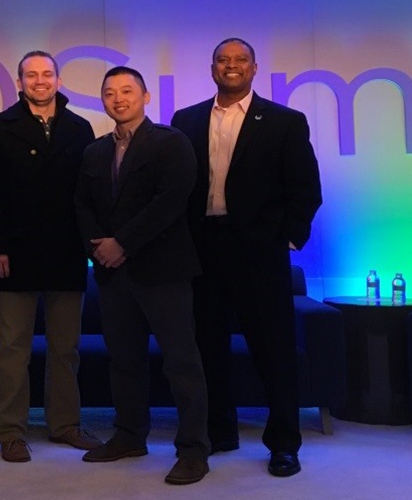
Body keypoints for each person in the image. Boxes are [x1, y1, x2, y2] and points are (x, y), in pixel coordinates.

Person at [170, 38, 321, 477]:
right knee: (207, 347)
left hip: (259, 251)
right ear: (211, 67)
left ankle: (284, 444)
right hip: (202, 249)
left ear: (254, 68)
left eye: (240, 60)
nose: (231, 66)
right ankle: (219, 431)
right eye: (223, 60)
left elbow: (305, 187)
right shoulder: (187, 119)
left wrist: (288, 239)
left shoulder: (285, 121)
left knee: (273, 350)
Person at [75, 67, 210, 485]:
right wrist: (96, 248)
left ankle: (193, 451)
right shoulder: (94, 151)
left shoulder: (171, 142)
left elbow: (170, 201)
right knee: (124, 361)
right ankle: (130, 436)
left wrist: (122, 243)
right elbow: (81, 204)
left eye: (127, 91)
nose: (118, 99)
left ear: (146, 96)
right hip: (114, 277)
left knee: (182, 363)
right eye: (110, 92)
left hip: (163, 271)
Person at [0, 50, 100, 462]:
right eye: (31, 74)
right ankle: (10, 431)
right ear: (19, 81)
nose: (40, 81)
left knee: (66, 348)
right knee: (12, 349)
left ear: (59, 81)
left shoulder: (81, 128)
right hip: (14, 255)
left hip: (67, 256)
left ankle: (65, 425)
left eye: (47, 74)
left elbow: (89, 194)